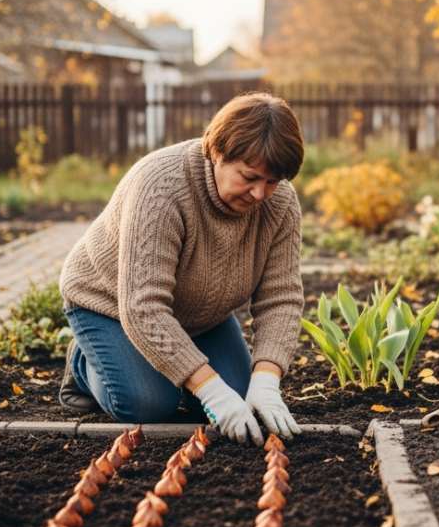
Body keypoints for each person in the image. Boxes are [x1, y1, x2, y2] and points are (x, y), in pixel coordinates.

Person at [57, 92, 305, 447]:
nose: (259, 193)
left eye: (272, 181)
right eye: (249, 177)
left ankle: (177, 363)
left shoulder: (279, 203)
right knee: (150, 403)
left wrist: (266, 380)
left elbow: (281, 297)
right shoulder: (161, 187)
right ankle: (84, 363)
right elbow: (143, 307)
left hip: (201, 313)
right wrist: (211, 391)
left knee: (242, 395)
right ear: (217, 152)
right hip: (112, 305)